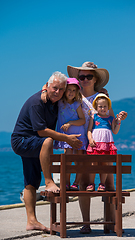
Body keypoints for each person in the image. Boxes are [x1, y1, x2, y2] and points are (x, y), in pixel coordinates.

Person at [11, 71, 82, 233]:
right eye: (54, 88)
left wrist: (102, 93)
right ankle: (49, 181)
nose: (57, 92)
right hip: (22, 140)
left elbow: (75, 94)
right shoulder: (37, 102)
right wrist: (66, 138)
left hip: (35, 142)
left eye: (61, 89)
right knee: (48, 140)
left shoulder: (56, 100)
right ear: (47, 86)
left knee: (31, 182)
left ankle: (31, 221)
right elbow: (42, 131)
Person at [67, 61, 127, 234]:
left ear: (96, 79)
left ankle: (111, 223)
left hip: (99, 147)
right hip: (81, 145)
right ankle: (86, 223)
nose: (85, 79)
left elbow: (111, 122)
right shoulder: (72, 96)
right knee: (84, 184)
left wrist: (119, 118)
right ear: (77, 79)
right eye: (81, 76)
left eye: (89, 76)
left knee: (107, 182)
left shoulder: (103, 98)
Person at [54, 78, 87, 191]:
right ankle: (66, 183)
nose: (71, 92)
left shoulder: (77, 104)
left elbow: (82, 120)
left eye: (74, 90)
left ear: (77, 92)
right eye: (69, 89)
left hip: (79, 135)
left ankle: (75, 183)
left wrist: (70, 123)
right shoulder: (59, 103)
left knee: (79, 161)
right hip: (66, 137)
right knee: (67, 161)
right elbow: (45, 86)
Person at [86, 93, 122, 192]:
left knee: (105, 164)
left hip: (106, 144)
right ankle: (91, 183)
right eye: (100, 106)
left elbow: (115, 131)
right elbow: (89, 130)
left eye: (105, 106)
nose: (103, 108)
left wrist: (118, 121)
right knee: (93, 164)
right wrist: (90, 139)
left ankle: (102, 184)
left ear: (108, 107)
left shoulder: (111, 119)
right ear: (96, 107)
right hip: (95, 144)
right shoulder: (93, 117)